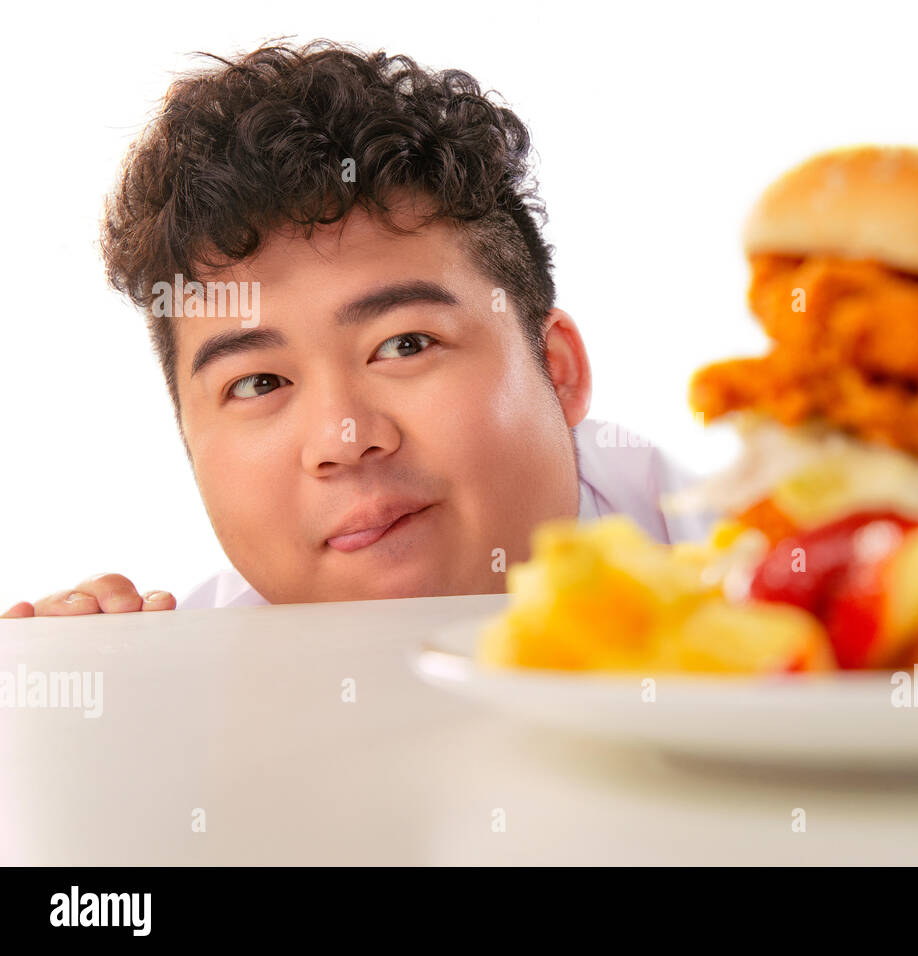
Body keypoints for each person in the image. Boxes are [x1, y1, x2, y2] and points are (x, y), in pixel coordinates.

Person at [2, 41, 711, 617]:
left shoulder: (763, 584)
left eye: (404, 345)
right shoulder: (175, 680)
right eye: (258, 383)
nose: (344, 439)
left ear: (558, 370)